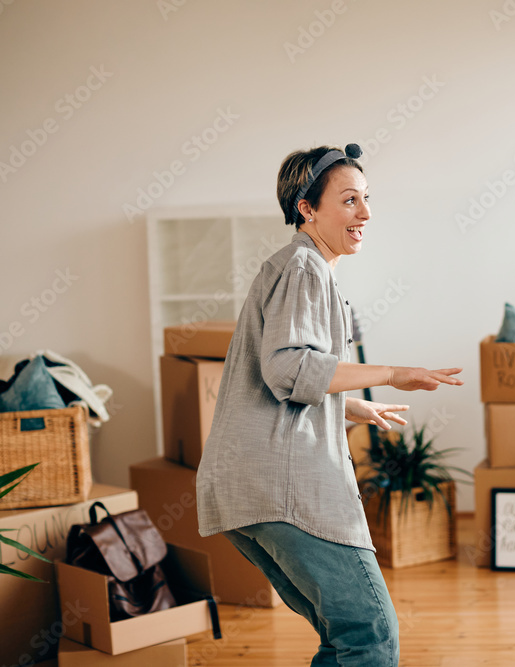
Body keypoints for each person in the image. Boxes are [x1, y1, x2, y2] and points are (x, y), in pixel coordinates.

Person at [196, 143, 462, 666]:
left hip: (246, 487)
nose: (365, 214)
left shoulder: (300, 266)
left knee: (344, 638)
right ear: (307, 208)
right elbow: (286, 367)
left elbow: (277, 381)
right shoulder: (305, 268)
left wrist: (351, 408)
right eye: (349, 201)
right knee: (370, 635)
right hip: (281, 487)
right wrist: (391, 374)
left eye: (366, 199)